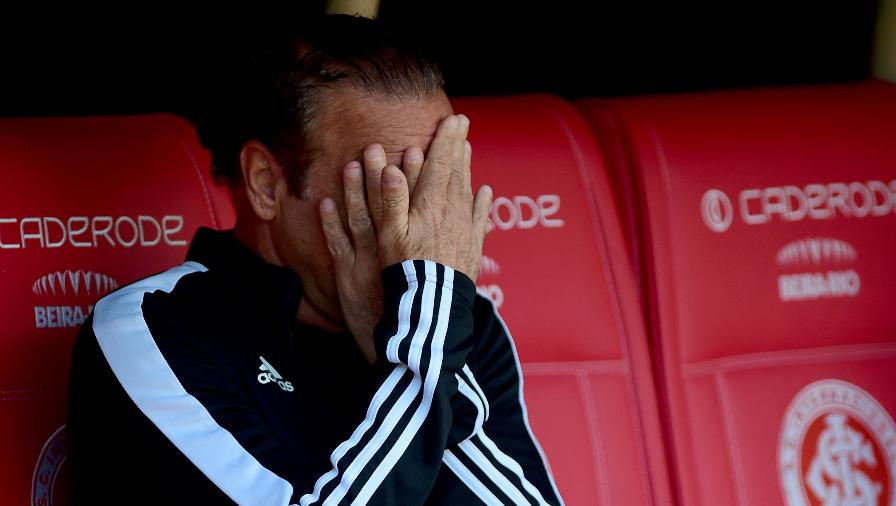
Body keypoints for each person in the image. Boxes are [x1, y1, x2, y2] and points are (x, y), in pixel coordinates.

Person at [67, 14, 563, 505]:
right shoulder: (155, 328)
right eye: (385, 185)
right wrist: (422, 360)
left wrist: (412, 335)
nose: (421, 221)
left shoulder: (451, 319)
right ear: (266, 182)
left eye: (439, 180)